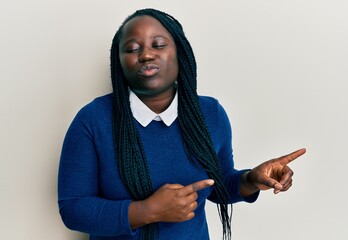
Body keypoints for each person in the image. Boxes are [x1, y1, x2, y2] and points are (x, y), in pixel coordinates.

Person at [58, 8, 306, 240]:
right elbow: (73, 208)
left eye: (159, 45)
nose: (145, 54)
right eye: (132, 48)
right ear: (119, 62)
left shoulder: (210, 114)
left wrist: (251, 180)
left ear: (180, 53)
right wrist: (147, 211)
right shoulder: (92, 120)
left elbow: (218, 187)